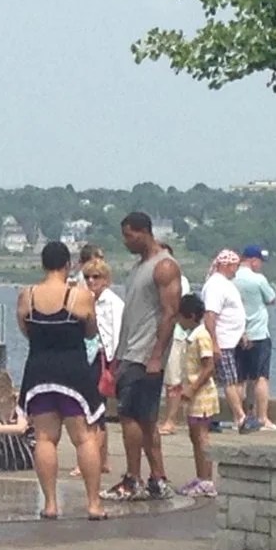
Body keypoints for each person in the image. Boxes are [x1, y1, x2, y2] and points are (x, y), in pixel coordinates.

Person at [17, 241, 107, 520]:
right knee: (84, 438)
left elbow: (25, 330)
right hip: (73, 370)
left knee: (44, 438)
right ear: (68, 265)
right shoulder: (79, 296)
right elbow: (91, 332)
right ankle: (93, 504)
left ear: (43, 264)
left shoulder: (27, 295)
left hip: (39, 370)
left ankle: (51, 504)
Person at [103, 212, 181, 502]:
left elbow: (170, 313)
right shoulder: (139, 269)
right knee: (146, 420)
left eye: (129, 235)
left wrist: (156, 356)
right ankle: (157, 478)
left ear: (144, 232)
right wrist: (117, 356)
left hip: (145, 354)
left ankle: (133, 477)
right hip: (130, 352)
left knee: (130, 417)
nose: (126, 241)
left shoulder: (164, 267)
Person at [72, 256, 122, 477]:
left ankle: (89, 459)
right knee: (91, 411)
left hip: (103, 359)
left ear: (106, 279)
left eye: (96, 277)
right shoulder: (84, 299)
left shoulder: (113, 303)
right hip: (86, 358)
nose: (91, 281)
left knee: (94, 412)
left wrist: (115, 365)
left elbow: (119, 334)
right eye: (88, 277)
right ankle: (100, 459)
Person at [201, 249, 259, 433]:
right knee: (229, 381)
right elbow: (211, 315)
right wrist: (214, 343)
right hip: (222, 341)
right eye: (234, 266)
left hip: (230, 340)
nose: (236, 270)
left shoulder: (225, 284)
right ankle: (240, 417)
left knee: (227, 380)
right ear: (225, 266)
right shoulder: (215, 285)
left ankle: (215, 416)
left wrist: (241, 334)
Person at [176, 294, 220, 497]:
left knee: (202, 437)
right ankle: (200, 476)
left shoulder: (202, 336)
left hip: (202, 394)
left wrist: (193, 388)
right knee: (194, 436)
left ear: (191, 316)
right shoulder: (193, 336)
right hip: (194, 394)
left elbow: (209, 366)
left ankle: (207, 480)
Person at [235, 244, 276, 430]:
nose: (261, 265)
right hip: (259, 334)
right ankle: (262, 418)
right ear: (253, 260)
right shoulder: (258, 279)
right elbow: (272, 299)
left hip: (237, 334)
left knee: (239, 379)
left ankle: (240, 417)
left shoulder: (231, 278)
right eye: (260, 261)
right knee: (261, 377)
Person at [157, 243, 193, 436]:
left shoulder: (181, 282)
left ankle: (171, 420)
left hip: (175, 335)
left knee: (173, 380)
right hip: (153, 336)